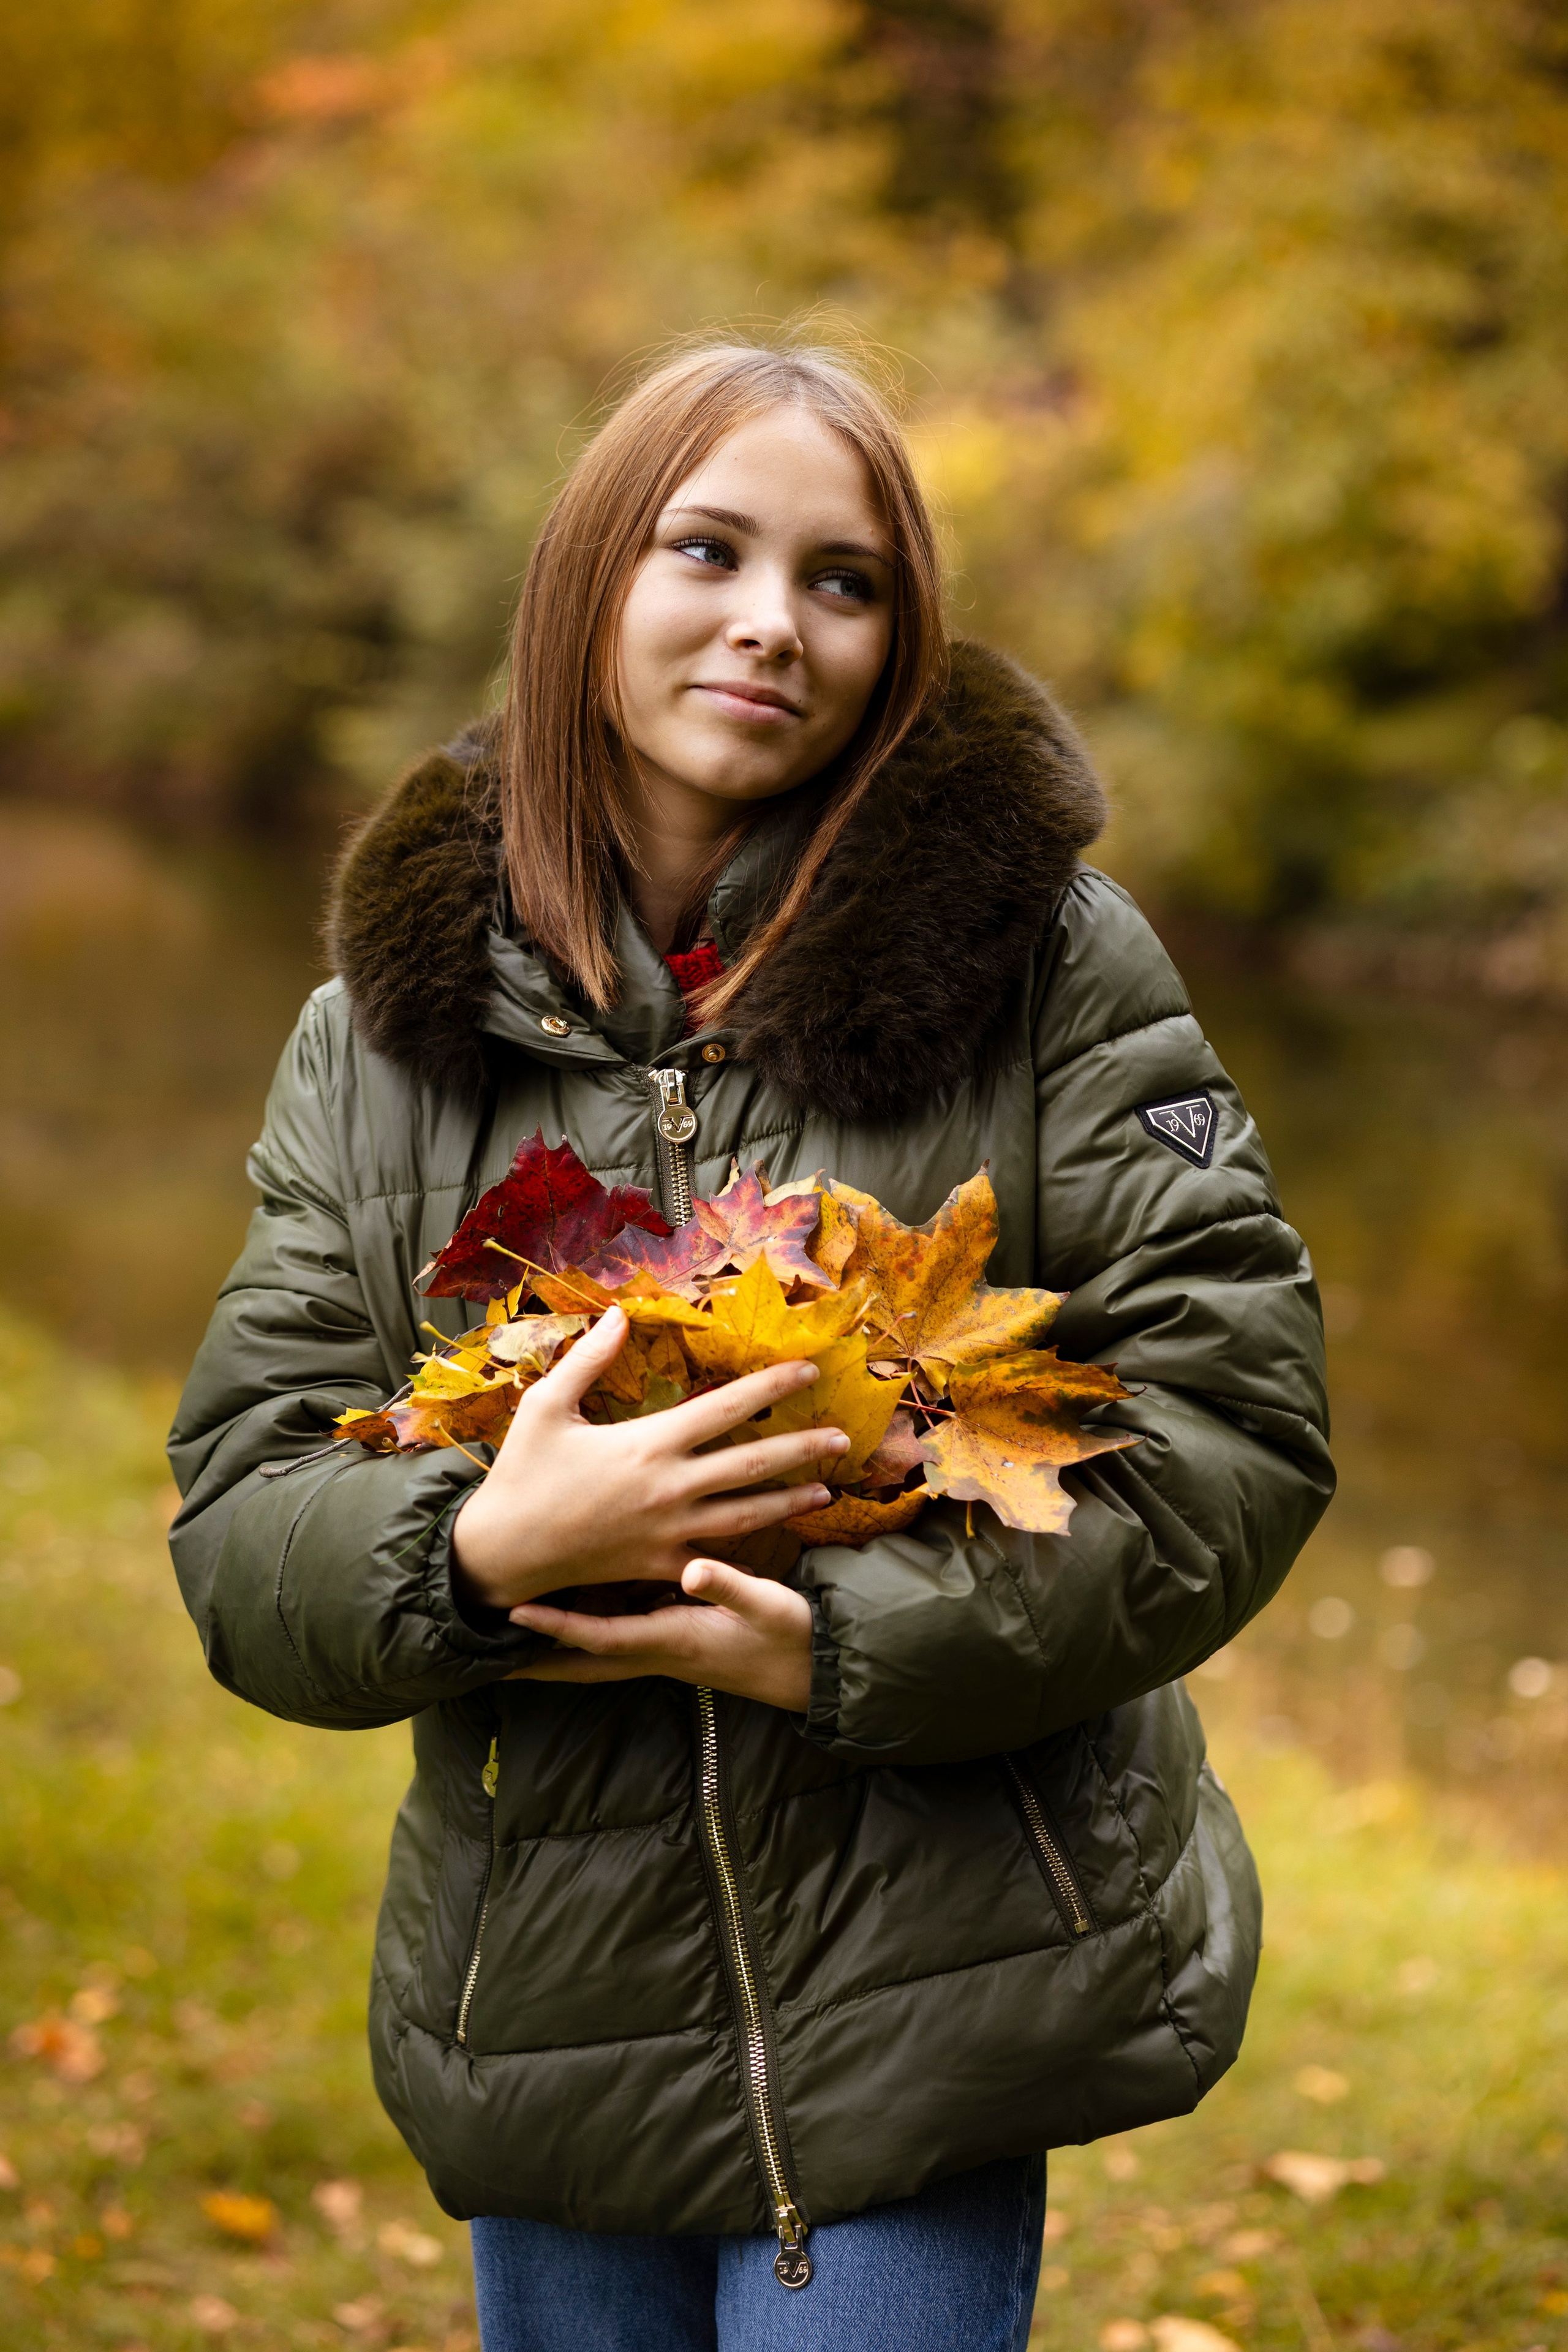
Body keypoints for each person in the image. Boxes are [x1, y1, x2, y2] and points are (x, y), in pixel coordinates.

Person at [168, 340, 1333, 2352]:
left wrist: (852, 1641)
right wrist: (469, 1553)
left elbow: (1239, 1423)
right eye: (707, 550)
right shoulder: (378, 1038)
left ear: (898, 637)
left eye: (845, 579)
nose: (771, 625)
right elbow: (241, 1516)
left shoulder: (1046, 961)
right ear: (589, 582)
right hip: (546, 2009)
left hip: (932, 1992)